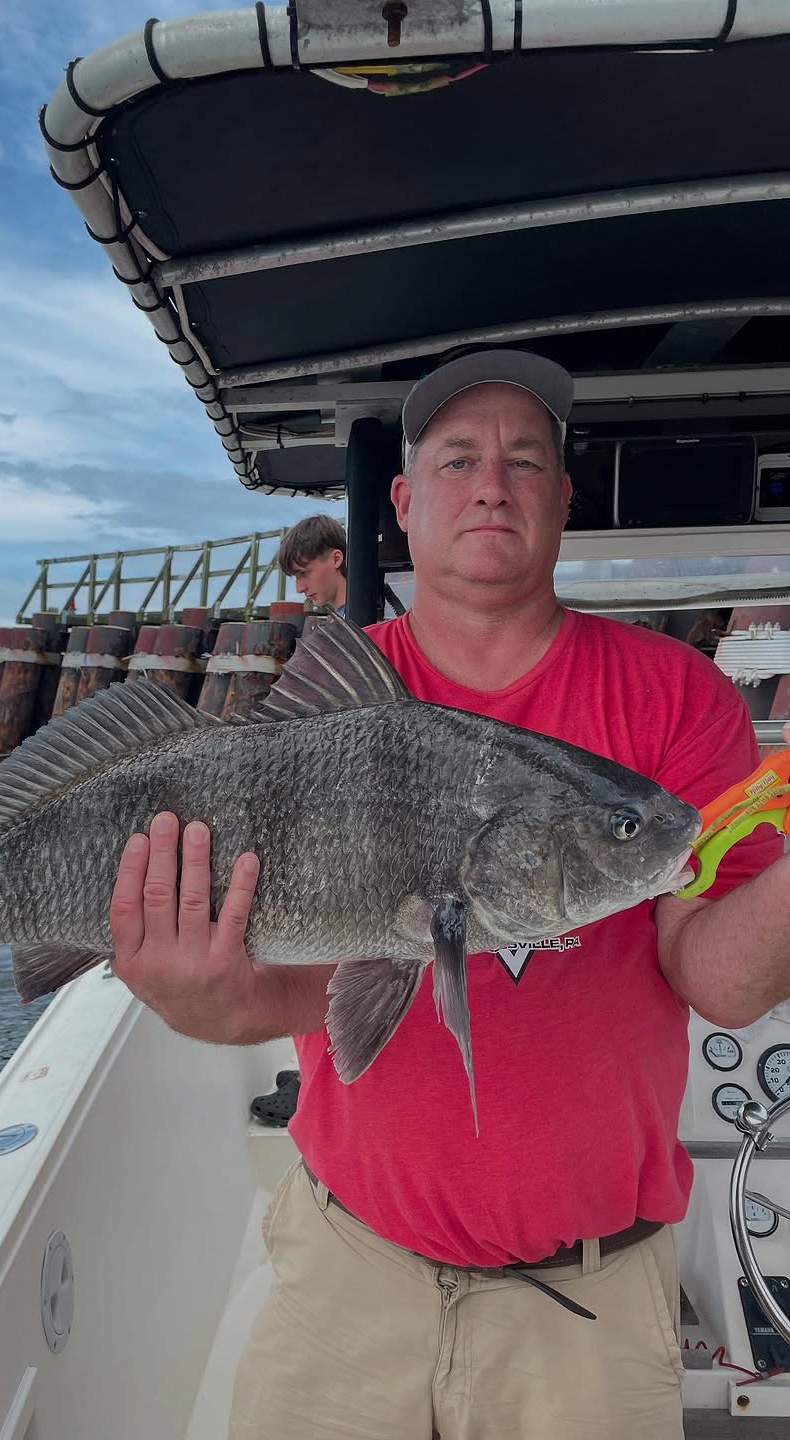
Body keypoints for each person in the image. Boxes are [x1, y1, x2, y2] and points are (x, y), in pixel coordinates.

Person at [106, 347, 790, 1439]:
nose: (492, 483)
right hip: (345, 1269)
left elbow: (716, 975)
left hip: (591, 1301)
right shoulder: (340, 698)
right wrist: (204, 999)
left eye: (527, 460)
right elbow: (274, 998)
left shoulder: (676, 698)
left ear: (565, 499)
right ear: (403, 501)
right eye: (460, 457)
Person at [277, 513, 348, 614]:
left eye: (304, 573)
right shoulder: (362, 617)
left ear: (336, 559)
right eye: (296, 577)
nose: (299, 589)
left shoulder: (363, 624)